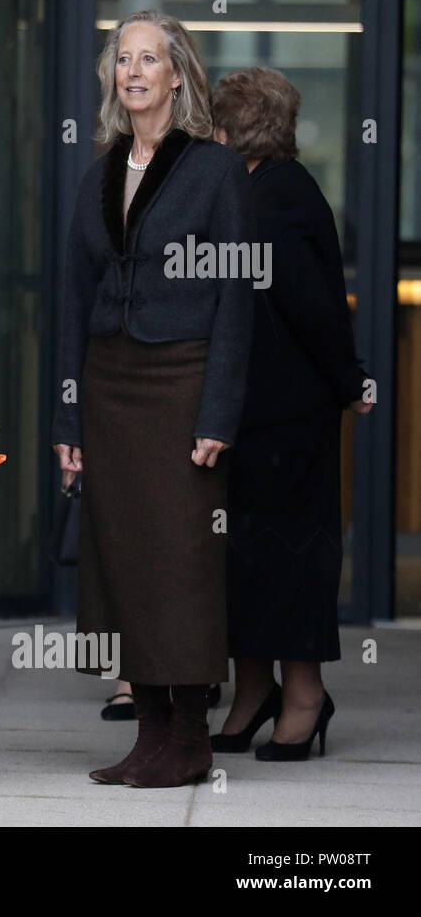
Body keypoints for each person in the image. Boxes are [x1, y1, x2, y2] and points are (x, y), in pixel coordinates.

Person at [51, 10, 255, 788]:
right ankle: (149, 734)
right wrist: (66, 417)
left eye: (149, 59)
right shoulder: (100, 170)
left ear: (178, 75)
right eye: (122, 60)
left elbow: (237, 297)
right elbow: (74, 297)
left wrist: (219, 414)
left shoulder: (214, 169)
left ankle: (189, 738)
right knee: (122, 560)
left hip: (183, 385)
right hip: (108, 384)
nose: (133, 71)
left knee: (181, 560)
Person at [210, 67, 372, 760]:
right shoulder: (257, 190)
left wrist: (348, 381)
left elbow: (316, 313)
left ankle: (304, 694)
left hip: (289, 414)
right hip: (251, 412)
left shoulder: (279, 199)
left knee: (291, 558)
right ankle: (254, 691)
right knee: (244, 559)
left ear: (228, 131)